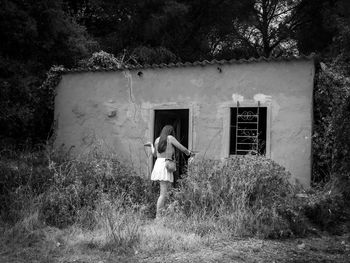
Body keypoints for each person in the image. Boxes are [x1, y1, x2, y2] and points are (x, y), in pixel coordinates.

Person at [145, 125, 192, 218]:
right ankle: (158, 217)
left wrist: (151, 145)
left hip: (158, 164)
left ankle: (164, 214)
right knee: (163, 194)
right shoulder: (170, 138)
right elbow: (181, 147)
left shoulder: (157, 140)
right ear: (170, 132)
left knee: (164, 192)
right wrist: (189, 153)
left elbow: (155, 154)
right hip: (165, 164)